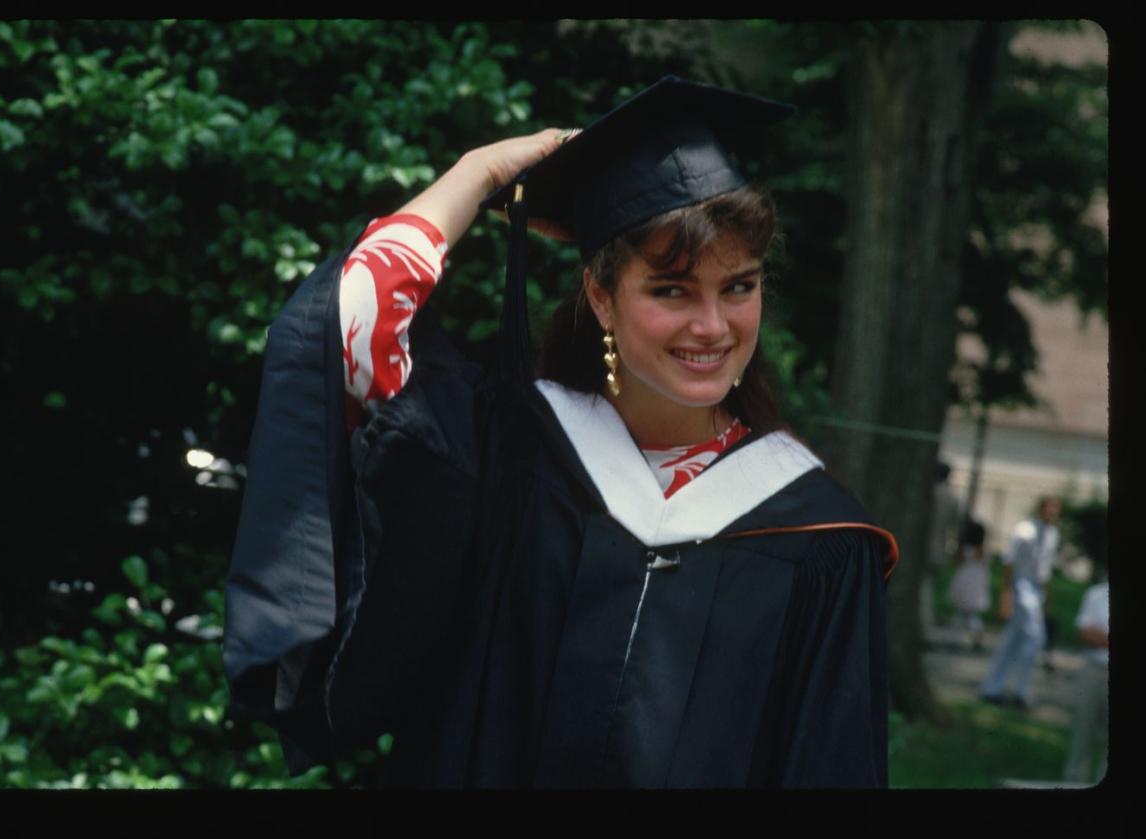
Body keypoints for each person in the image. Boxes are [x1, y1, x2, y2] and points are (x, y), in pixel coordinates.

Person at [222, 76, 899, 788]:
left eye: (739, 286)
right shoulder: (511, 450)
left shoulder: (820, 539)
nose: (712, 325)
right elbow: (349, 324)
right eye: (671, 290)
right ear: (602, 297)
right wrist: (477, 173)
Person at [979, 496, 1062, 709]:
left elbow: (1045, 571)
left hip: (1036, 592)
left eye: (1056, 510)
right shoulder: (1025, 531)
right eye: (1050, 509)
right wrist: (1006, 596)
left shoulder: (1052, 534)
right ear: (1041, 509)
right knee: (1035, 638)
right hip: (1020, 590)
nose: (1053, 514)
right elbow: (1009, 563)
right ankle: (1021, 691)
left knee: (1011, 639)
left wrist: (1047, 600)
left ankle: (992, 688)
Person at [1062, 568, 1109, 784]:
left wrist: (1103, 637)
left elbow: (1094, 632)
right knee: (1082, 734)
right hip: (1093, 669)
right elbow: (1085, 631)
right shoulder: (1096, 594)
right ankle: (1074, 785)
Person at [922, 461, 961, 629]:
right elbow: (956, 525)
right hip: (940, 547)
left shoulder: (928, 493)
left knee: (924, 588)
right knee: (929, 586)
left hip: (924, 546)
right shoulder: (952, 497)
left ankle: (924, 623)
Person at [946, 519, 989, 650]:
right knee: (970, 615)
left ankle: (957, 640)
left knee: (960, 615)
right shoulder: (983, 552)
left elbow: (956, 561)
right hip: (976, 587)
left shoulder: (965, 550)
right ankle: (976, 635)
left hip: (963, 584)